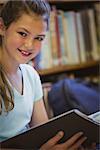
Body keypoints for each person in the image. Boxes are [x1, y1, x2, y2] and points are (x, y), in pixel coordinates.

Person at [0, 0, 96, 149]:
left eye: (39, 38)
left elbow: (43, 133)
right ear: (2, 27)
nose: (29, 45)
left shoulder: (31, 76)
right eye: (22, 33)